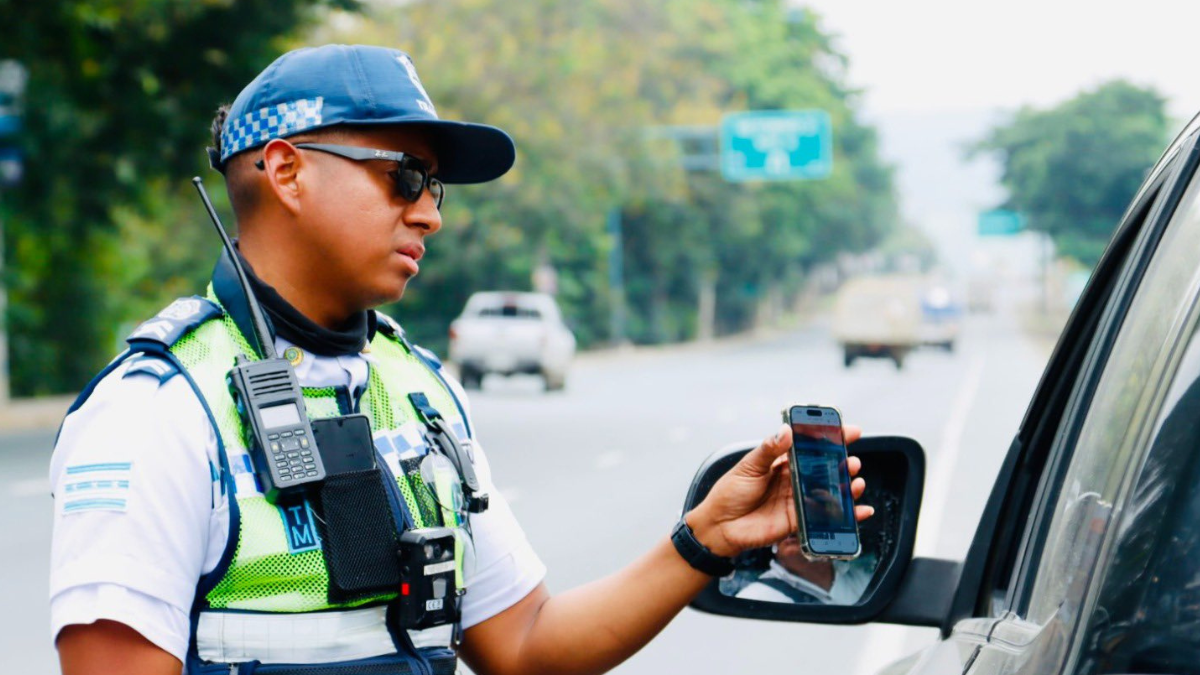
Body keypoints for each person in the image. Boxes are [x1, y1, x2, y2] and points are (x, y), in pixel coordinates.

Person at [49, 44, 874, 675]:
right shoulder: (158, 408)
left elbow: (522, 643)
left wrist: (706, 541)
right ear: (288, 171)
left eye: (434, 187)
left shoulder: (418, 390)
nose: (429, 215)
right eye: (404, 176)